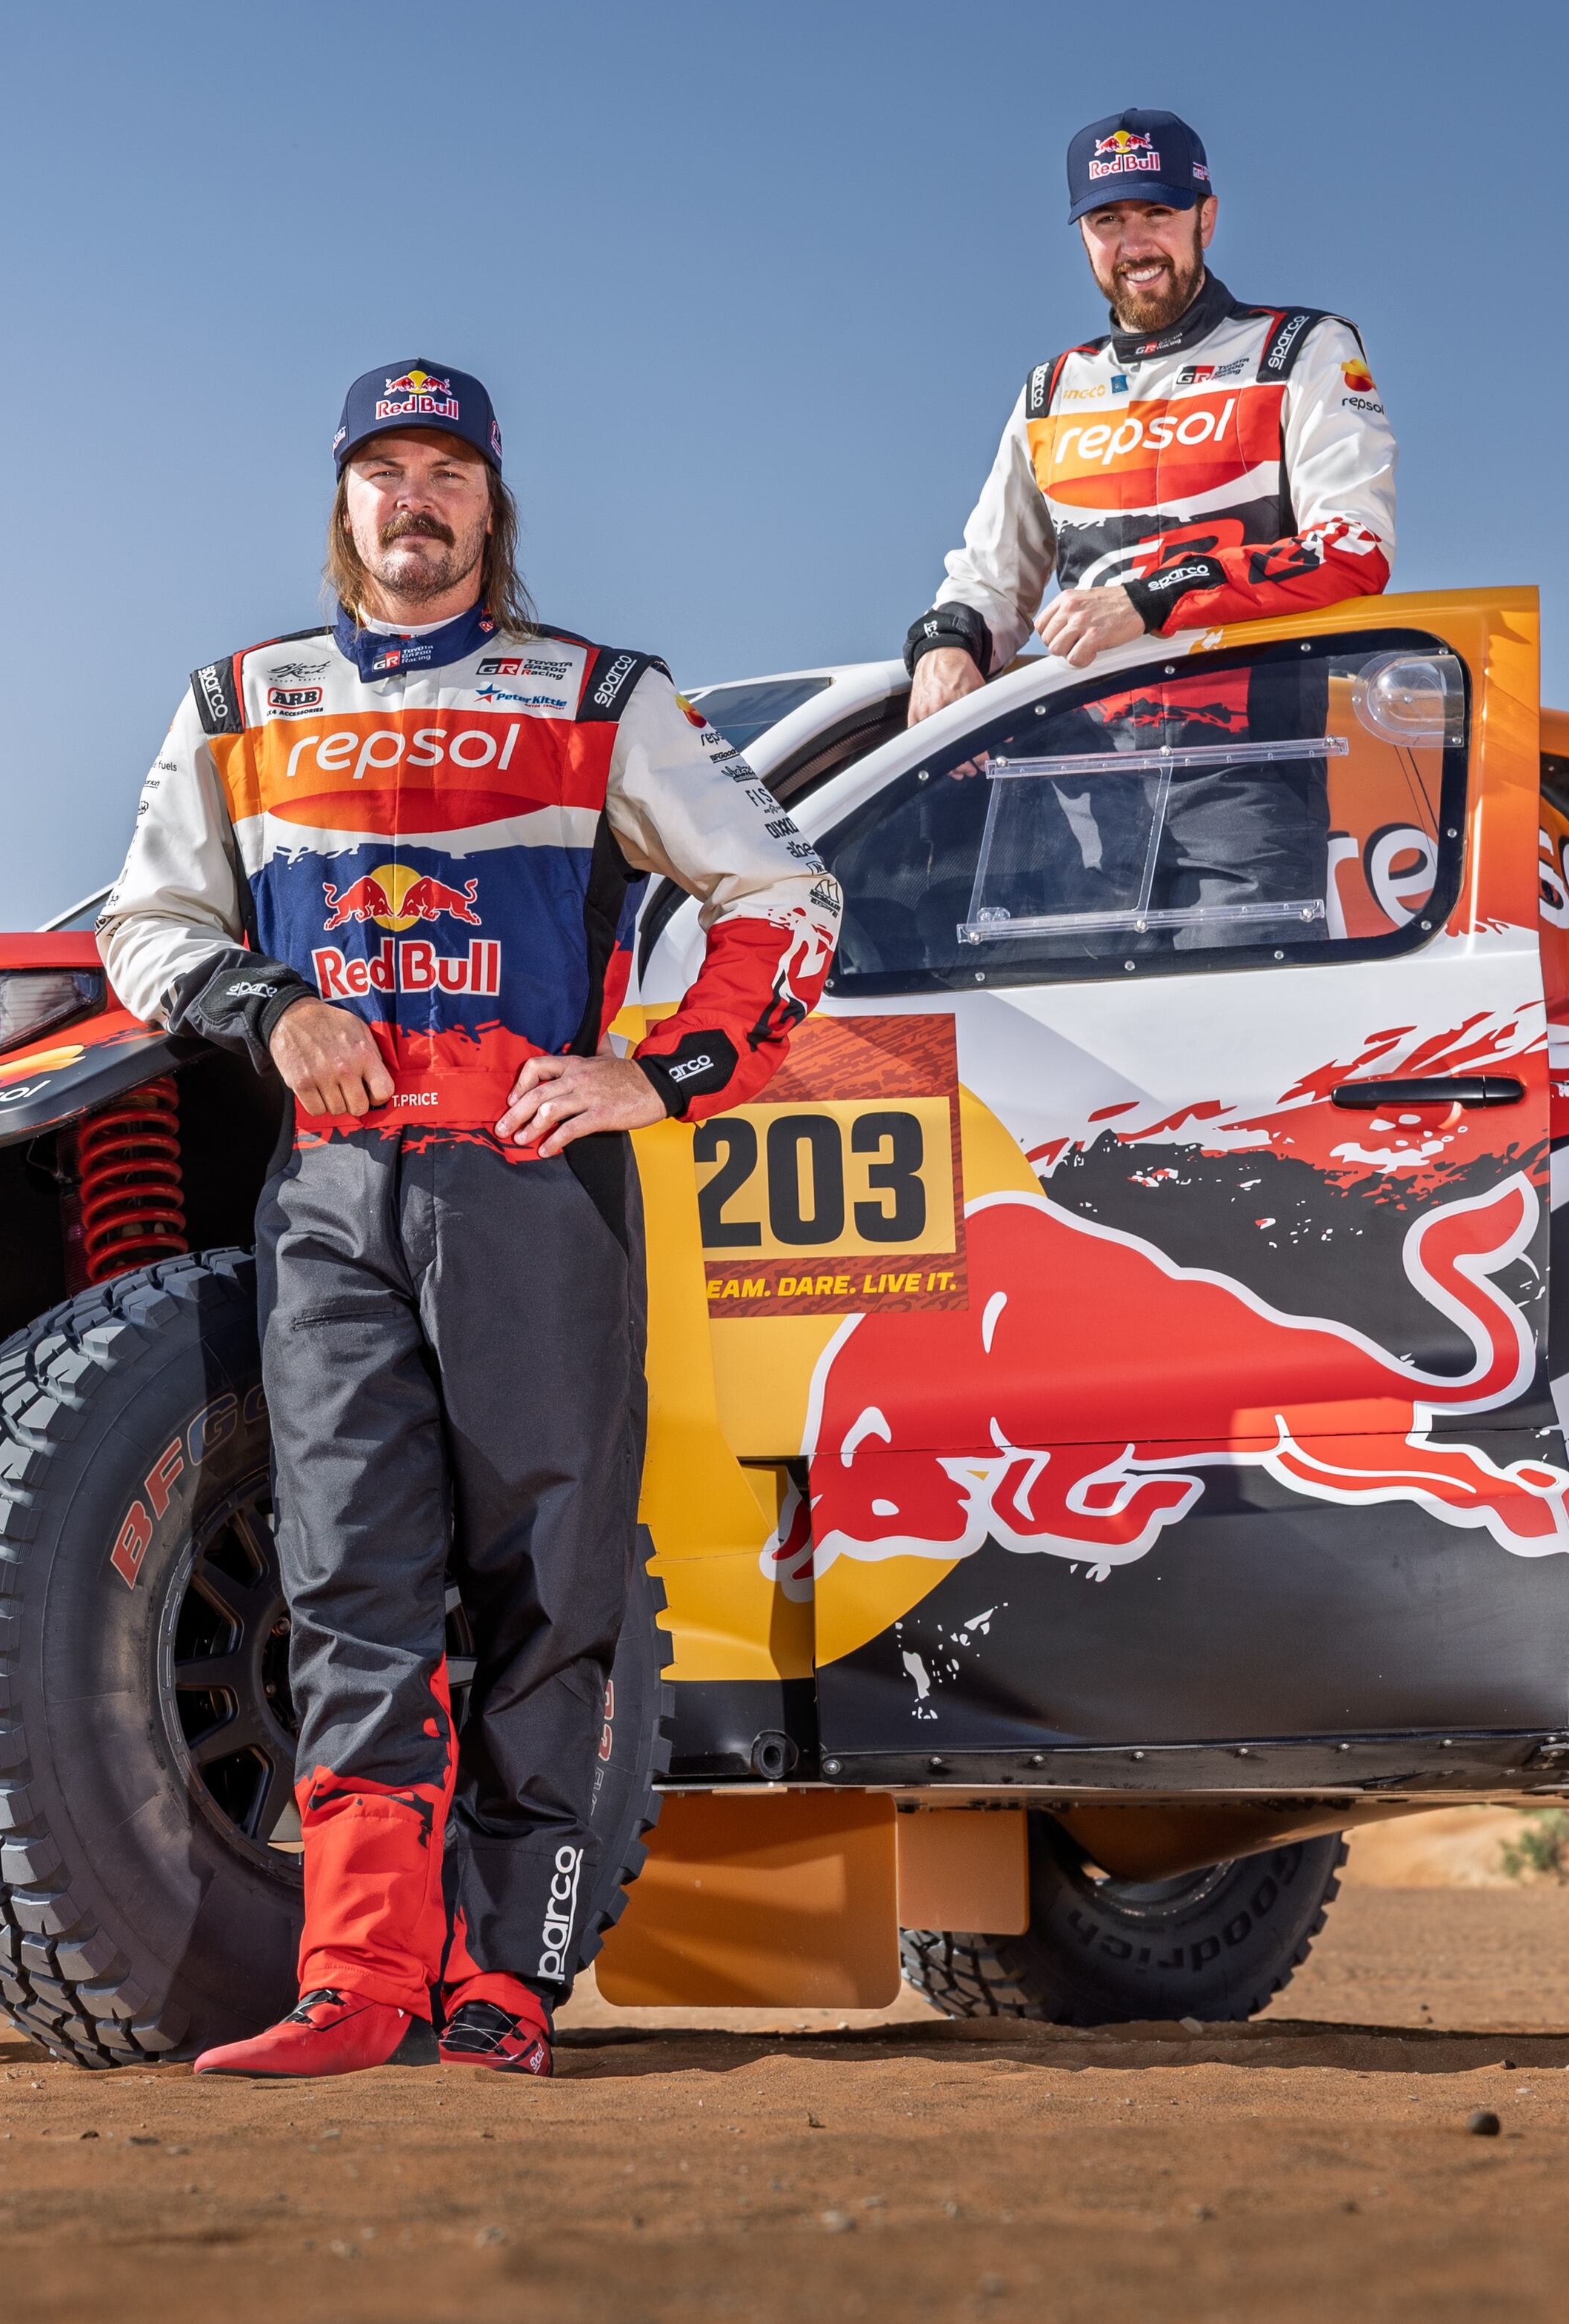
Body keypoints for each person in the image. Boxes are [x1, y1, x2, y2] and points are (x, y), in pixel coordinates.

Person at [99, 359, 839, 2077]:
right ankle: (355, 1984)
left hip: (528, 1183)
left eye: (445, 470)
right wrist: (270, 1007)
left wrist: (665, 1070)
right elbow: (143, 926)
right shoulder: (239, 700)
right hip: (329, 1188)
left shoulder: (598, 693)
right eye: (385, 470)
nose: (413, 499)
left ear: (491, 504)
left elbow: (784, 890)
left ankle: (508, 1975)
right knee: (349, 1578)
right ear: (343, 502)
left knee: (547, 1585)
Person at [904, 109, 1399, 723]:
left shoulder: (1300, 349)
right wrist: (948, 642)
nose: (1134, 246)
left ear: (1206, 219)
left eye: (1158, 213)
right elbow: (991, 582)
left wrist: (1151, 598)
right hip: (1083, 765)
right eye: (1108, 220)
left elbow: (1353, 546)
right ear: (1084, 236)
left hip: (1259, 759)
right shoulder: (1052, 390)